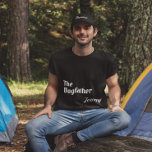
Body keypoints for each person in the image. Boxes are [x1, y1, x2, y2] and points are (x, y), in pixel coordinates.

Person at [25, 14, 131, 152]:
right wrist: (48, 106)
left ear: (95, 32)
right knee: (32, 127)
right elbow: (52, 85)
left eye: (87, 28)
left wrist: (116, 105)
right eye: (77, 28)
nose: (82, 32)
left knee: (123, 118)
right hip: (65, 114)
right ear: (71, 33)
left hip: (95, 113)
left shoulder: (106, 60)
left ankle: (72, 139)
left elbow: (113, 85)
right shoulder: (58, 58)